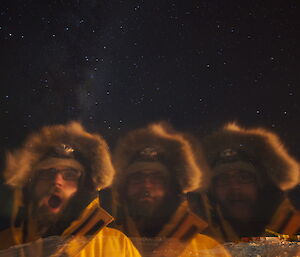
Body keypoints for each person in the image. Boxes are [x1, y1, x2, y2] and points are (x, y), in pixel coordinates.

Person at [0, 121, 141, 257]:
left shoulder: (115, 245)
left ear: (83, 188)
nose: (56, 181)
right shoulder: (5, 245)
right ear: (31, 184)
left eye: (69, 175)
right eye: (47, 172)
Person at [110, 122, 231, 257]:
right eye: (137, 178)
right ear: (123, 187)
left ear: (172, 188)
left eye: (156, 178)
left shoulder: (207, 250)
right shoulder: (104, 244)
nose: (147, 185)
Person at [196, 122, 300, 242]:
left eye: (244, 177)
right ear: (211, 192)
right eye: (223, 180)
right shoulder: (192, 244)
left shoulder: (295, 233)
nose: (234, 187)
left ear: (262, 185)